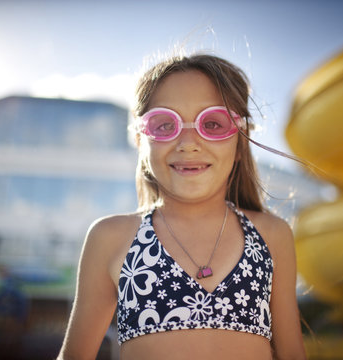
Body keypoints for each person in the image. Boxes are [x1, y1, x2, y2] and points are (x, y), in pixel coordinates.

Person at [58, 54, 306, 360]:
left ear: (240, 143)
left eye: (213, 124)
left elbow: (293, 354)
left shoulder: (271, 235)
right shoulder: (110, 237)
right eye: (164, 125)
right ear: (140, 139)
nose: (188, 143)